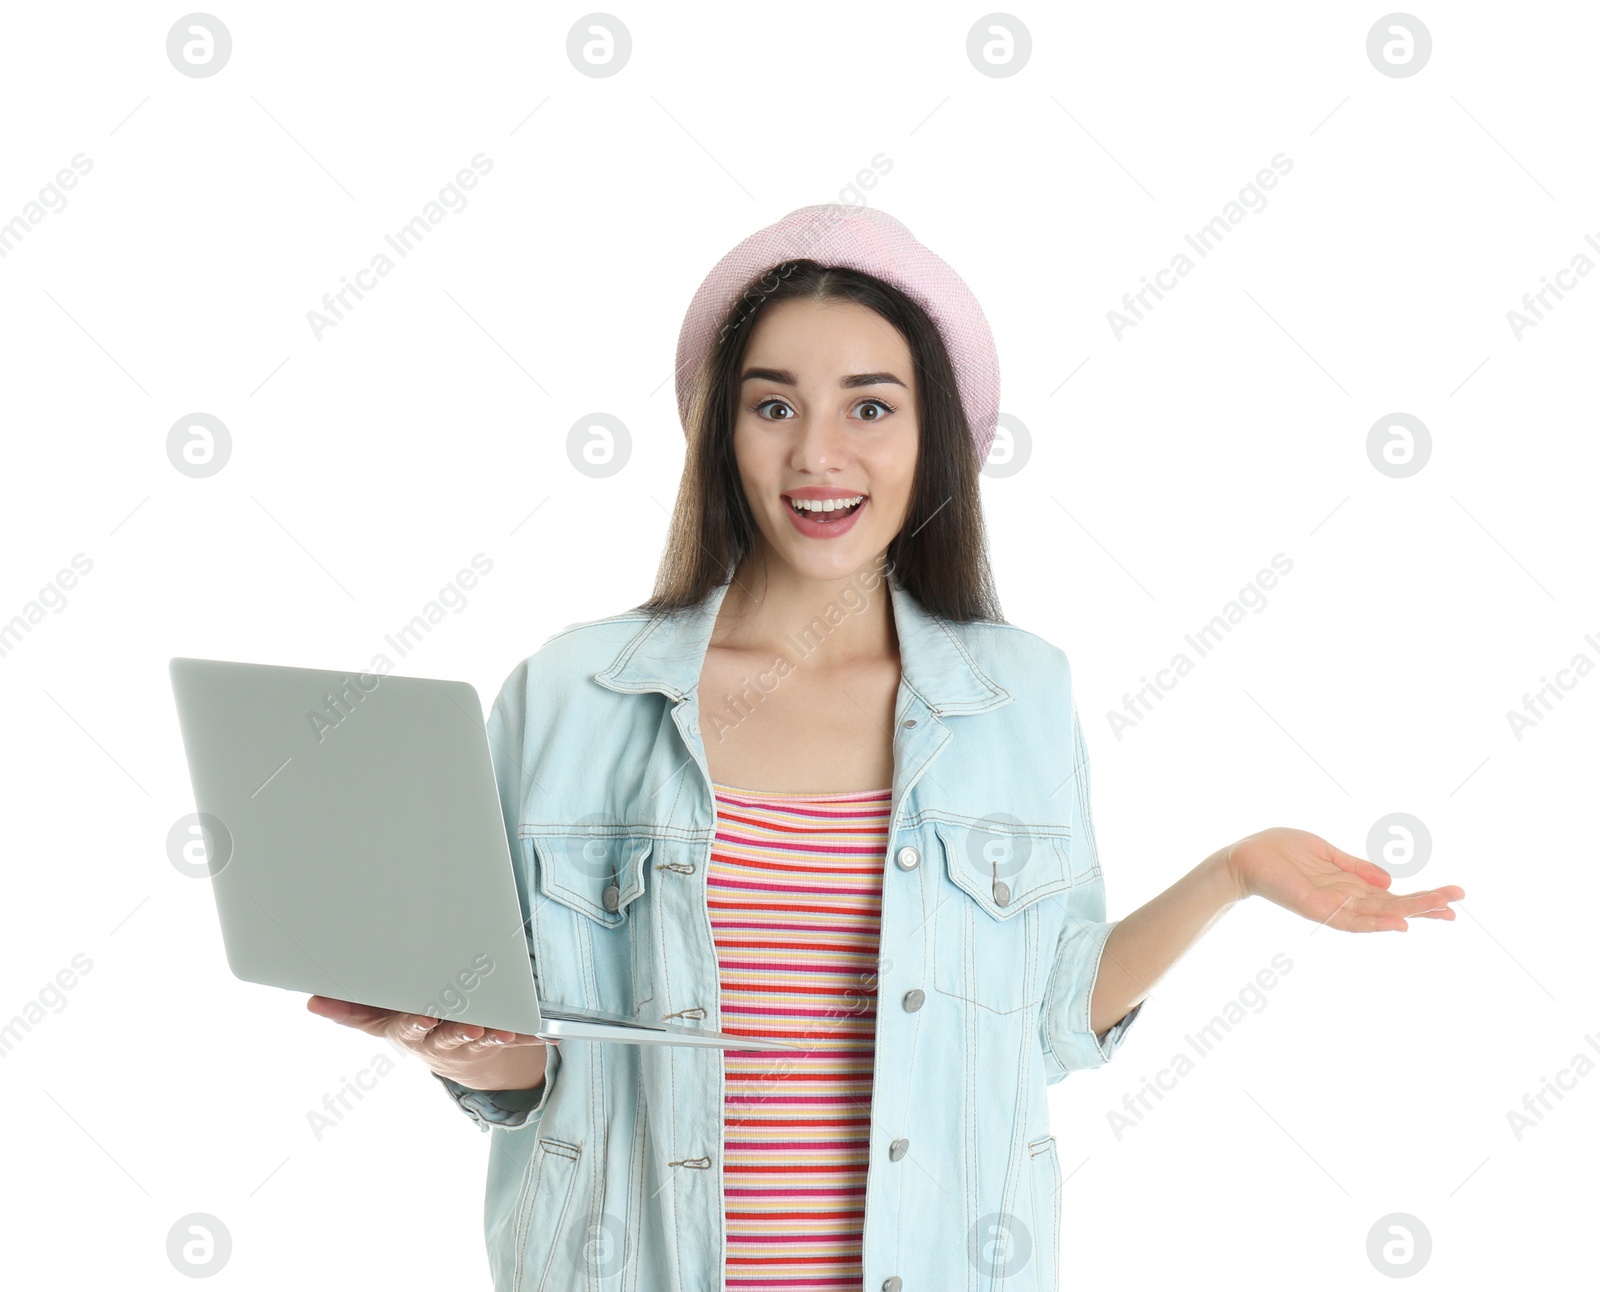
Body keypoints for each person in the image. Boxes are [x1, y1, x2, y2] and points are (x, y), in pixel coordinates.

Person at [308, 204, 1465, 1291]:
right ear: (722, 431)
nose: (819, 452)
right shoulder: (575, 690)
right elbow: (531, 1067)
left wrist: (1236, 872)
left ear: (936, 437)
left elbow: (1050, 1029)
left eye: (870, 406)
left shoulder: (1017, 693)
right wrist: (458, 1049)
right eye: (773, 405)